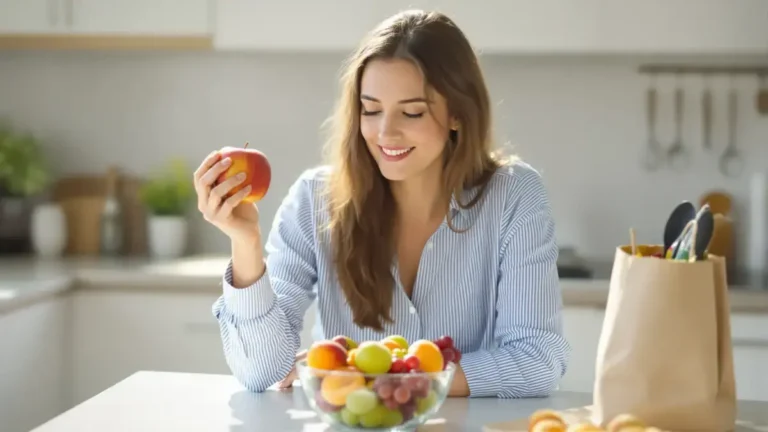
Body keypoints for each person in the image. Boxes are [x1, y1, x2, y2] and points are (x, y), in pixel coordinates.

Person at [194, 9, 570, 398]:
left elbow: (537, 361)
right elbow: (260, 372)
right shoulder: (313, 200)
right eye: (371, 110)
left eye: (412, 112)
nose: (386, 133)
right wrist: (246, 243)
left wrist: (368, 375)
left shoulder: (513, 195)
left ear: (458, 113)